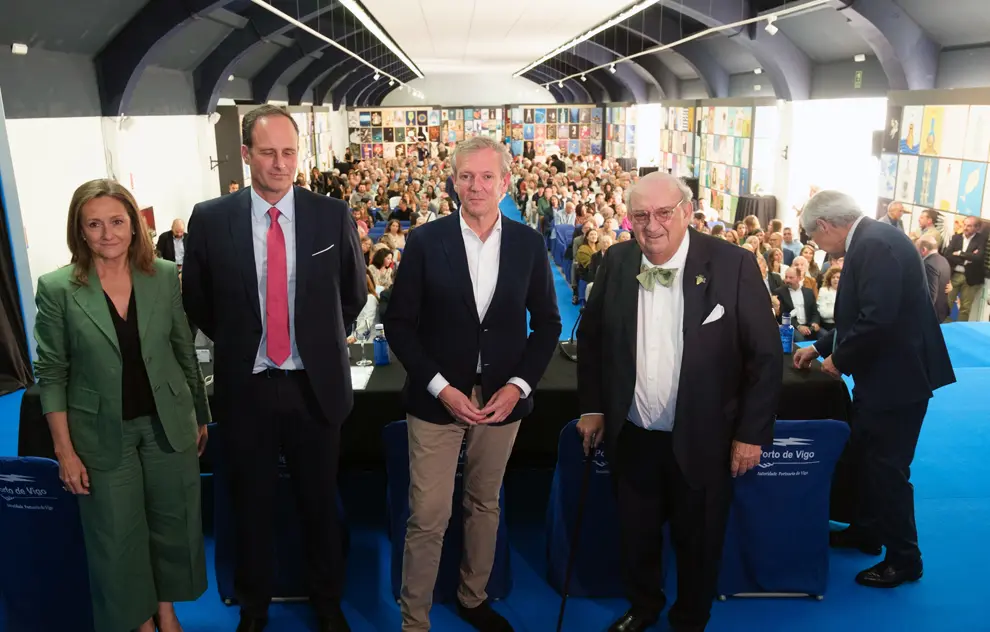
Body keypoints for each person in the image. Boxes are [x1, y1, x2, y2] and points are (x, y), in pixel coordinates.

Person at [182, 105, 366, 632]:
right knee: (251, 508)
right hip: (248, 388)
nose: (281, 163)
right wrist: (245, 342)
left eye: (289, 152)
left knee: (319, 505)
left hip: (315, 386)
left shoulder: (330, 214)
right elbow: (198, 301)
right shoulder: (210, 219)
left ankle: (327, 605)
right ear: (246, 154)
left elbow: (352, 294)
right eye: (268, 153)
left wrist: (314, 342)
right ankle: (254, 609)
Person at [576, 172, 782, 632]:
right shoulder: (616, 260)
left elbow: (766, 358)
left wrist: (751, 433)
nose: (652, 225)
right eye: (640, 215)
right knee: (636, 534)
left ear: (687, 212)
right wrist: (592, 407)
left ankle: (690, 618)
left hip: (705, 436)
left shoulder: (733, 264)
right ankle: (643, 606)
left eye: (664, 213)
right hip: (634, 433)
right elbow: (591, 340)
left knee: (700, 539)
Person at [384, 135, 561, 632]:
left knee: (484, 503)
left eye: (487, 176)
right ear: (454, 182)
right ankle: (414, 621)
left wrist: (519, 385)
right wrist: (441, 387)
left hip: (501, 400)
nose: (476, 186)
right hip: (437, 399)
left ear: (505, 183)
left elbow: (548, 323)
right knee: (428, 514)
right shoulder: (425, 241)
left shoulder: (528, 244)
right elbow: (399, 324)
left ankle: (473, 597)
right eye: (466, 176)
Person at [34, 179, 210, 632]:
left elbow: (182, 349)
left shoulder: (163, 275)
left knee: (173, 524)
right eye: (94, 224)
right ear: (79, 230)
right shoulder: (57, 288)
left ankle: (166, 611)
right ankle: (140, 621)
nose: (107, 233)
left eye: (116, 221)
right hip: (100, 432)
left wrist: (200, 414)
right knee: (116, 535)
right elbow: (52, 373)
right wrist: (64, 451)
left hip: (168, 422)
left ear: (135, 224)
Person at [793, 191, 954, 588]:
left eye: (815, 237)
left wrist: (838, 359)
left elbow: (877, 319)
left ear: (825, 225)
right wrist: (820, 347)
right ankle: (867, 530)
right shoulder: (873, 239)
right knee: (865, 458)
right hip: (886, 376)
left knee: (886, 469)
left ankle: (905, 559)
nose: (819, 246)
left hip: (896, 380)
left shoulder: (874, 244)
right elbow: (860, 314)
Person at [943, 215, 986, 323]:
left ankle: (960, 329)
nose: (965, 228)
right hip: (954, 275)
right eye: (965, 225)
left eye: (969, 226)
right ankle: (944, 327)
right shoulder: (956, 237)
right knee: (946, 304)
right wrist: (967, 258)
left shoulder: (981, 239)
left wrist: (960, 253)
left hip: (971, 278)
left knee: (965, 308)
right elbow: (947, 254)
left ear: (977, 228)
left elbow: (978, 257)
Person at [918, 235, 952, 323]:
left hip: (931, 315)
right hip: (941, 312)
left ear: (923, 250)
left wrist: (921, 315)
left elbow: (931, 294)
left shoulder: (928, 264)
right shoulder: (944, 260)